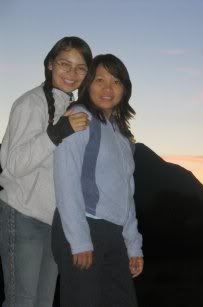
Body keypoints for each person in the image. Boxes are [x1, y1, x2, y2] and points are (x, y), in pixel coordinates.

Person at [0, 36, 92, 306]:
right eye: (65, 64)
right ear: (51, 64)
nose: (72, 73)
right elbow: (13, 164)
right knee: (22, 301)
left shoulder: (73, 109)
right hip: (22, 215)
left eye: (80, 68)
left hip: (53, 223)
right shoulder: (30, 103)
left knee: (42, 302)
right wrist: (58, 132)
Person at [51, 54, 144, 307]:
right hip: (83, 227)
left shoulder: (123, 135)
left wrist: (133, 244)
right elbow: (65, 180)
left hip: (113, 234)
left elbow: (126, 193)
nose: (107, 88)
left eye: (115, 81)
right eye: (99, 80)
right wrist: (79, 240)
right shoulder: (79, 116)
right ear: (88, 83)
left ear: (124, 88)